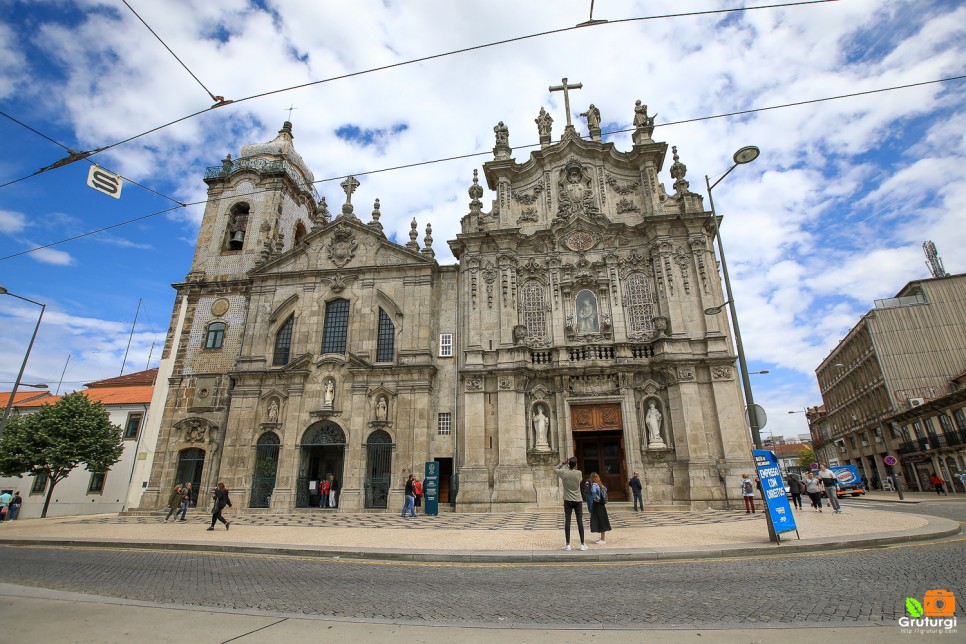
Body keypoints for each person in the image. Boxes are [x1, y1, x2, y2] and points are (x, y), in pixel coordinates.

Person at [554, 457, 588, 551]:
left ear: (568, 464)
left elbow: (555, 469)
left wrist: (562, 463)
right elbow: (580, 480)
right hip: (578, 500)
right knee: (579, 521)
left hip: (567, 500)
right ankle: (582, 544)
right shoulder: (579, 473)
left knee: (567, 521)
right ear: (576, 465)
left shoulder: (564, 473)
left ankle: (568, 544)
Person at [589, 472, 611, 545]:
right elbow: (606, 489)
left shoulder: (595, 485)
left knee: (600, 520)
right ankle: (602, 537)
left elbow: (593, 492)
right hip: (602, 505)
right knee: (602, 519)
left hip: (597, 505)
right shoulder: (600, 484)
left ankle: (603, 539)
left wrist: (597, 499)